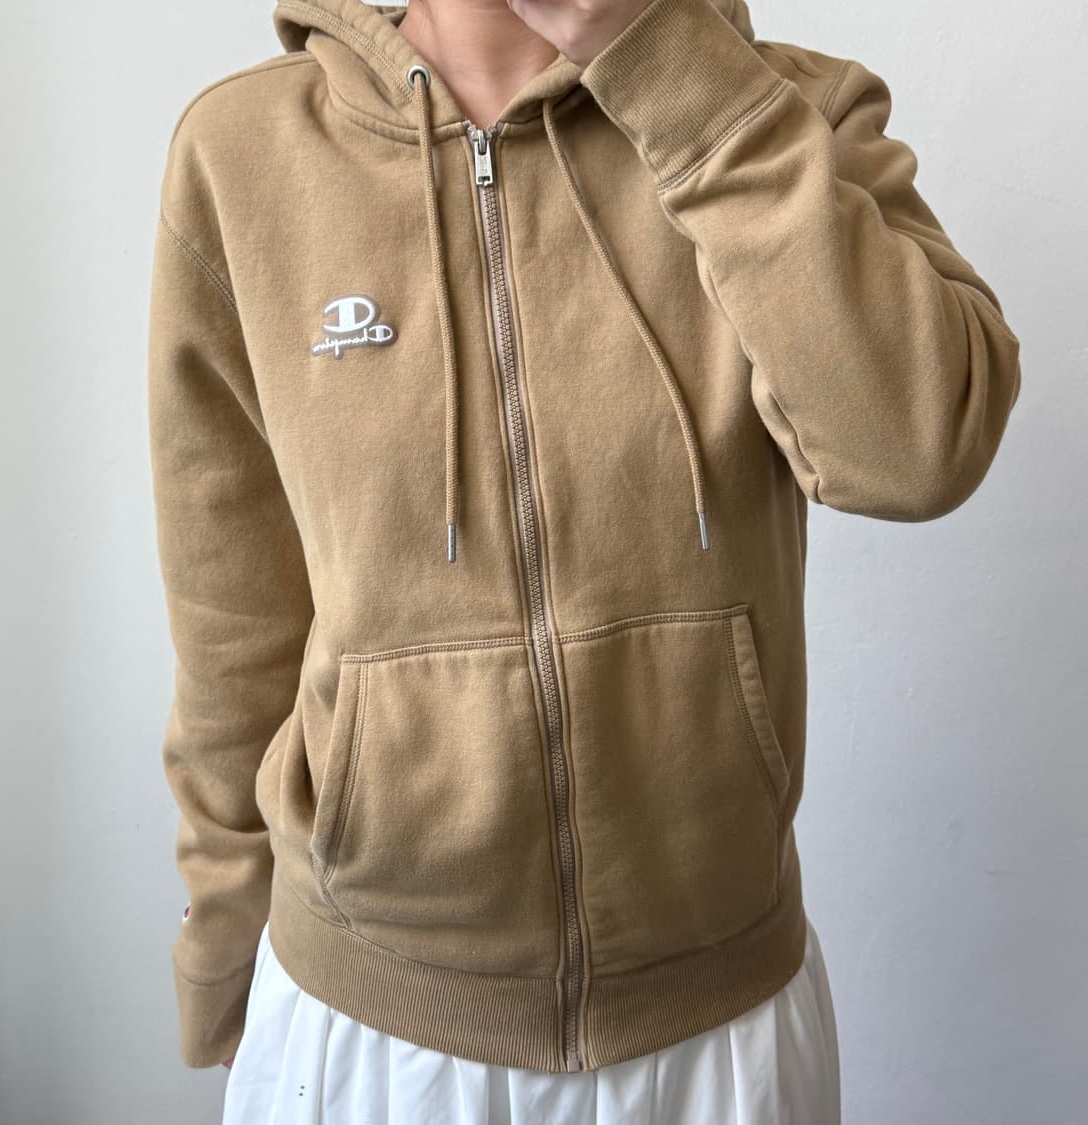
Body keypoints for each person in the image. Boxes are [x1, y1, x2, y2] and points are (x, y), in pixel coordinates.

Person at [146, 0, 1021, 1120]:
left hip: (717, 1029)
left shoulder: (784, 109)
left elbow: (917, 449)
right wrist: (220, 960)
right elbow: (233, 626)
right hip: (367, 1023)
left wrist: (676, 79)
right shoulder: (244, 155)